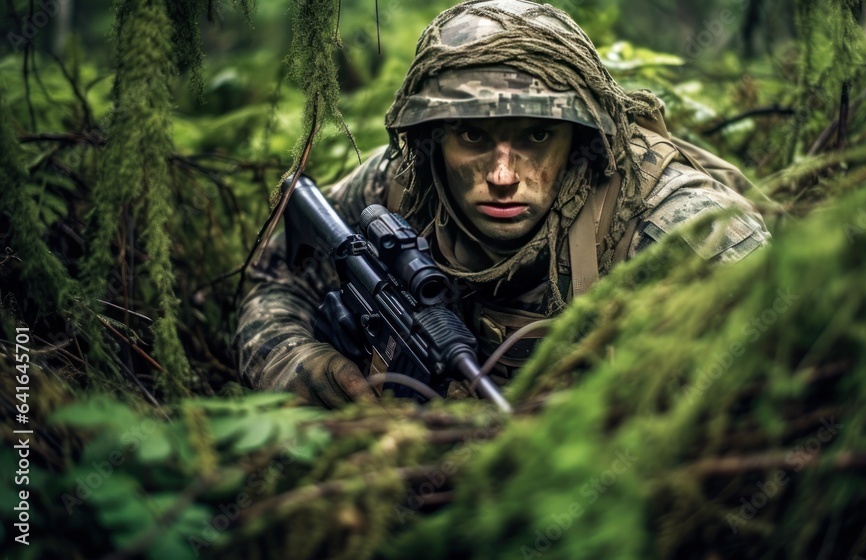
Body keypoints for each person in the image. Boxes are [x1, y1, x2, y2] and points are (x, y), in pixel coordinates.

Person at [234, 0, 771, 408]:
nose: (502, 176)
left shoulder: (676, 229)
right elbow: (275, 275)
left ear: (581, 142)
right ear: (431, 139)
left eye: (537, 136)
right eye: (471, 136)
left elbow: (793, 391)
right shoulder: (405, 187)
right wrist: (304, 365)